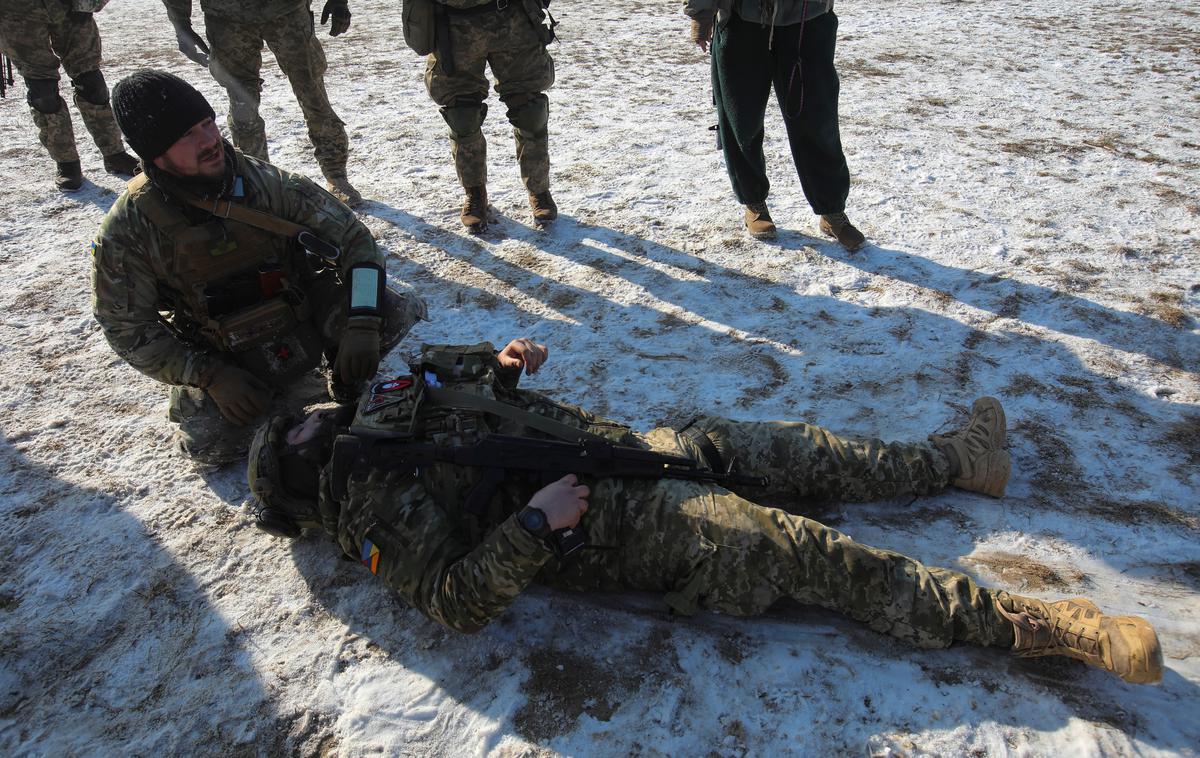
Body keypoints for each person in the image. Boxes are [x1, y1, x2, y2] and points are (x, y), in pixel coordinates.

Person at [246, 339, 1163, 686]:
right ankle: (1030, 626)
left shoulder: (387, 408)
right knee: (799, 550)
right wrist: (534, 527)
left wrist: (506, 364)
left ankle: (955, 461)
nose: (309, 424)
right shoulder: (366, 516)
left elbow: (460, 369)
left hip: (619, 448)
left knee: (784, 447)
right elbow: (452, 599)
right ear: (301, 483)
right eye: (293, 440)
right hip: (605, 524)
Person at [91, 70, 427, 466]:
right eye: (187, 136)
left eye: (208, 123)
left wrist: (363, 322)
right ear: (154, 154)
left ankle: (342, 374)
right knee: (209, 445)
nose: (210, 140)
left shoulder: (264, 183)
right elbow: (125, 327)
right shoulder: (129, 228)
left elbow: (356, 242)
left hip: (299, 317)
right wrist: (209, 375)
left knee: (391, 310)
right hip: (223, 352)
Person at [685, 0, 865, 250]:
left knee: (818, 121)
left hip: (808, 17)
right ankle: (753, 202)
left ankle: (831, 210)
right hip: (743, 18)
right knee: (741, 121)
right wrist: (701, 14)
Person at [161, 0, 364, 207]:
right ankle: (258, 183)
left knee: (313, 97)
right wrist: (180, 23)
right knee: (243, 108)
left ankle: (336, 175)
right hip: (226, 18)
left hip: (287, 11)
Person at [423, 0, 559, 232]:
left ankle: (539, 190)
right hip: (453, 23)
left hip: (511, 18)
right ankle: (475, 193)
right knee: (462, 114)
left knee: (530, 110)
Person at [0, 0, 139, 190]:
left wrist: (90, 2)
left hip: (69, 7)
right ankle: (67, 164)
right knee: (43, 92)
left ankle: (115, 154)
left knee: (92, 84)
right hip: (17, 13)